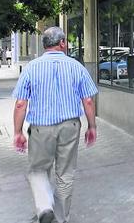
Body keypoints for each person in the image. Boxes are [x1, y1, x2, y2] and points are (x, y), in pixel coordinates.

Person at [12, 27, 98, 223]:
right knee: (65, 173)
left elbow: (20, 103)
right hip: (70, 126)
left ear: (44, 46)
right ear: (62, 43)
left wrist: (18, 132)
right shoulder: (77, 67)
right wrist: (92, 127)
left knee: (38, 170)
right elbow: (88, 101)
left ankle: (44, 208)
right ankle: (60, 218)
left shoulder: (32, 67)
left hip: (41, 128)